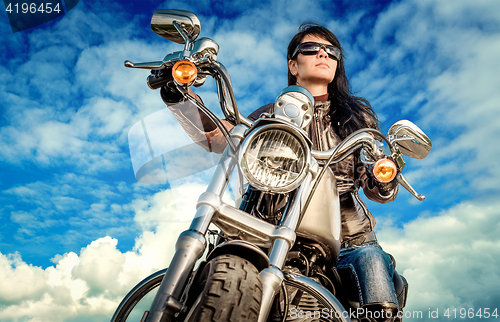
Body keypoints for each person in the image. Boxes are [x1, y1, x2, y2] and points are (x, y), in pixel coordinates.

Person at [161, 23, 402, 322]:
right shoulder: (268, 114)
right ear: (293, 64)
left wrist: (385, 178)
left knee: (373, 265)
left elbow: (373, 177)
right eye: (311, 49)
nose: (323, 54)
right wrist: (180, 98)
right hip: (266, 229)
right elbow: (216, 136)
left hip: (347, 241)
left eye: (332, 51)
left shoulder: (357, 118)